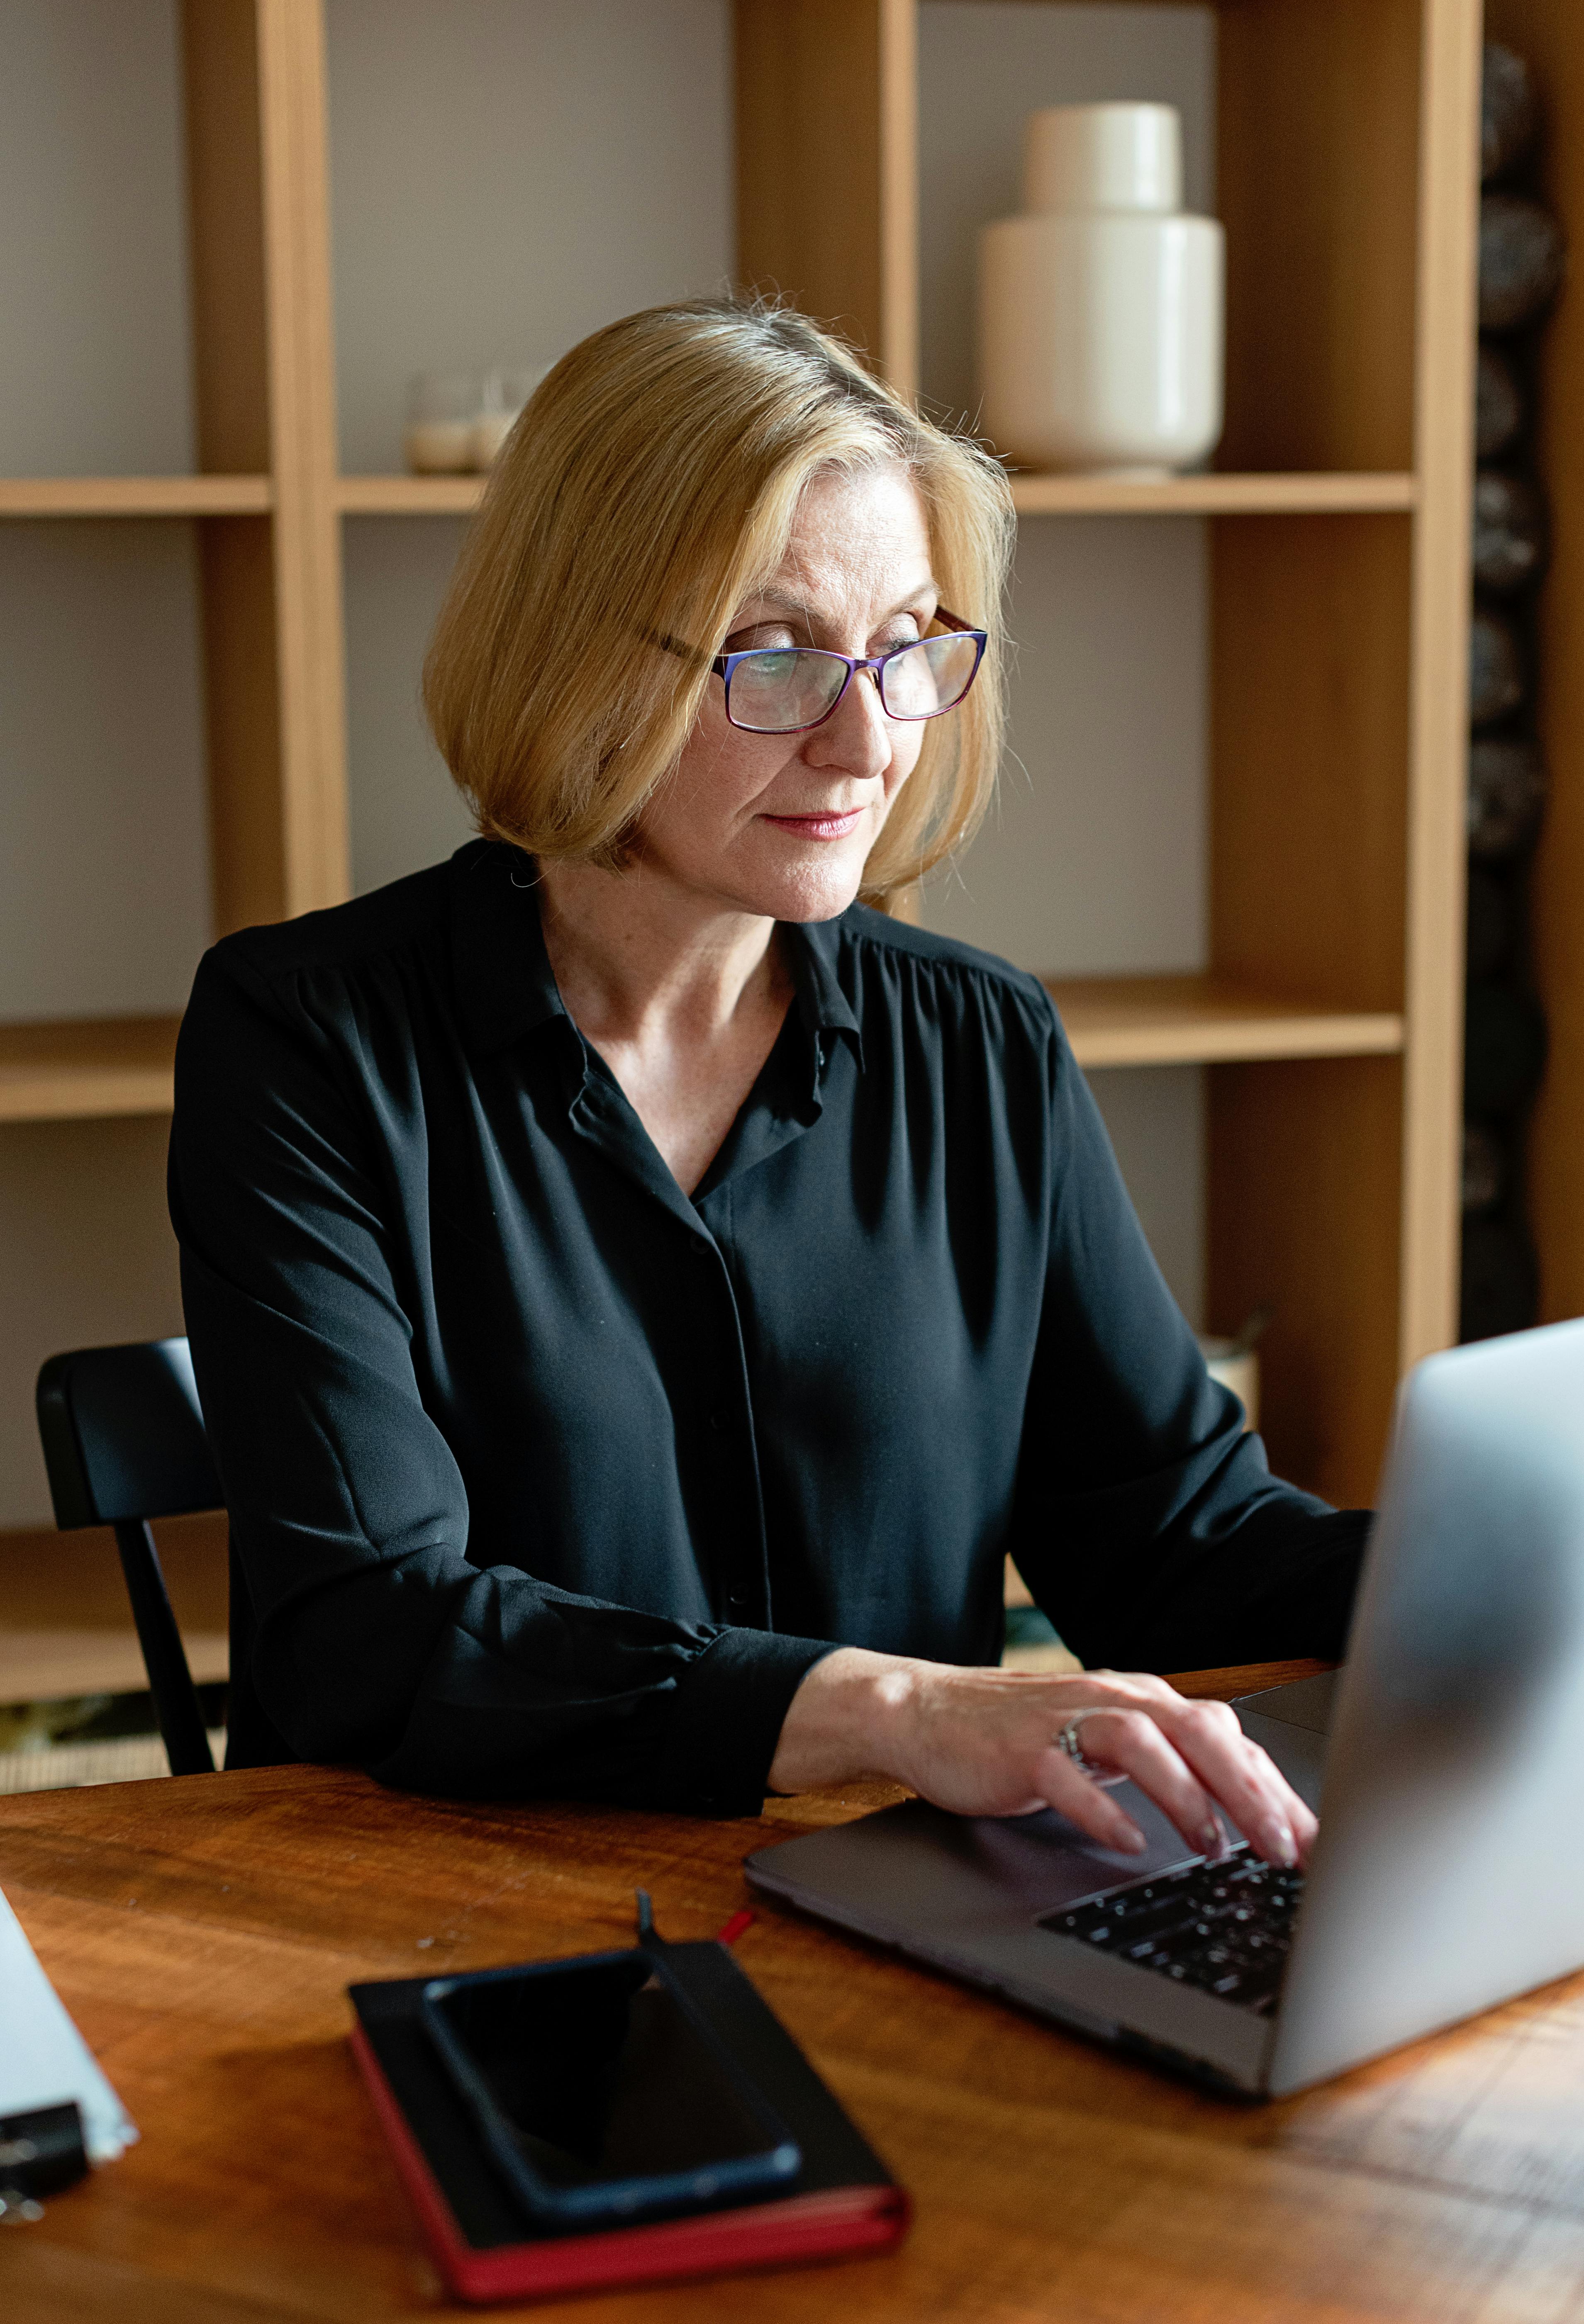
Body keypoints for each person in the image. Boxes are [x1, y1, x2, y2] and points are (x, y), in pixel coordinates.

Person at [170, 297, 1367, 1870]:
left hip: (888, 1924)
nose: (868, 742)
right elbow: (370, 1633)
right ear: (576, 659)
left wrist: (1495, 1580)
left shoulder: (983, 1046)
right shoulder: (309, 1040)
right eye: (775, 653)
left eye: (904, 646)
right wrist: (891, 1711)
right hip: (446, 1918)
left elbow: (1174, 1544)